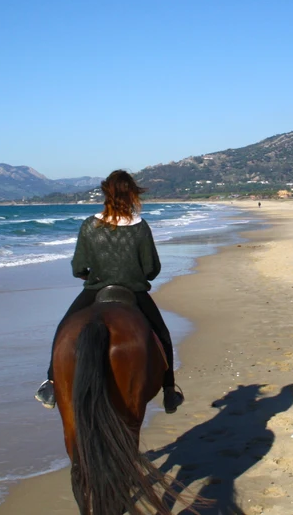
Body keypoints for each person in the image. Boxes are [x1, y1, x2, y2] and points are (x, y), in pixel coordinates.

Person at [35, 170, 184, 413]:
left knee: (64, 328)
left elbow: (78, 267)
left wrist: (93, 276)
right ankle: (169, 391)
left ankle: (51, 385)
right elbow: (152, 269)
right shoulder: (140, 226)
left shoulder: (90, 225)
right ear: (133, 194)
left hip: (95, 290)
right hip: (133, 292)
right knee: (162, 335)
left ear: (105, 193)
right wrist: (133, 275)